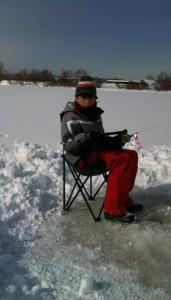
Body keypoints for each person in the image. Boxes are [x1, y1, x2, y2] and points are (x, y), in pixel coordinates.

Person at [61, 76, 143, 223]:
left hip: (96, 153)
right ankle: (113, 210)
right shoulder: (70, 116)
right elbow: (68, 146)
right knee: (122, 160)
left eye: (91, 97)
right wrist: (86, 137)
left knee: (131, 155)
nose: (88, 100)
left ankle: (122, 201)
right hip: (81, 158)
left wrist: (117, 141)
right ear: (76, 97)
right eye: (84, 96)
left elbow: (101, 139)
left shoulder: (96, 114)